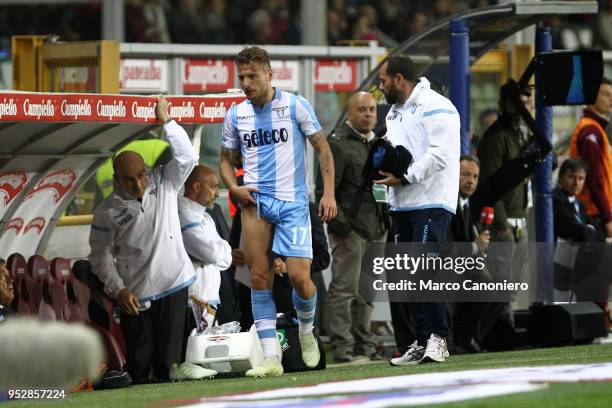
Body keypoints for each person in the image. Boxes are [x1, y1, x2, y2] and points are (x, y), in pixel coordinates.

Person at [219, 46, 337, 377]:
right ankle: (271, 358)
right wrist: (234, 187)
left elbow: (322, 148)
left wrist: (328, 193)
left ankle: (306, 329)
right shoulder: (235, 115)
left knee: (300, 278)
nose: (246, 82)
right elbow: (226, 161)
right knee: (259, 278)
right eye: (241, 76)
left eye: (252, 75)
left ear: (270, 74)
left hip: (294, 203)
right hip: (255, 203)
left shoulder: (296, 105)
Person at [89, 95, 198, 383]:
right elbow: (99, 257)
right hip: (134, 295)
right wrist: (119, 290)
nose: (138, 183)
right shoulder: (106, 211)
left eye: (141, 175)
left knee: (168, 365)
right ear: (116, 179)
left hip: (174, 284)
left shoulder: (166, 182)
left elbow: (188, 157)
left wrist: (168, 122)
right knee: (138, 366)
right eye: (128, 179)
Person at [375, 54, 459, 365]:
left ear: (399, 79)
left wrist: (404, 176)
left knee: (426, 269)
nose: (380, 87)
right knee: (409, 275)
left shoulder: (438, 106)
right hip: (402, 202)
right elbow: (398, 152)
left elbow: (441, 155)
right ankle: (422, 339)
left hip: (432, 200)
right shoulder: (394, 113)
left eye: (383, 81)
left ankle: (438, 338)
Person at [316, 91, 387, 363]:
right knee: (344, 289)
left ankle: (364, 345)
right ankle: (343, 348)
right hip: (352, 229)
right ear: (349, 113)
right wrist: (342, 227)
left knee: (367, 292)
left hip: (377, 226)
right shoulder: (337, 145)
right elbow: (325, 190)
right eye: (362, 110)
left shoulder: (378, 143)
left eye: (371, 109)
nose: (368, 114)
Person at [175, 165, 233, 381]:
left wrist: (220, 251)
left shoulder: (205, 217)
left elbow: (224, 257)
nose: (217, 193)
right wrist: (219, 251)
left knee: (212, 362)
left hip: (209, 297)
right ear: (196, 187)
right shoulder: (181, 213)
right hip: (193, 297)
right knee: (194, 352)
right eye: (214, 187)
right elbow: (212, 252)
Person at [447, 155, 505, 354]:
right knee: (485, 283)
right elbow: (449, 249)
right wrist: (475, 247)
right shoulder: (447, 204)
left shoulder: (466, 206)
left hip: (461, 267)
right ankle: (456, 339)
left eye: (475, 176)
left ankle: (469, 337)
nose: (470, 181)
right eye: (465, 174)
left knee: (503, 285)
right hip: (442, 268)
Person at [569, 77, 612, 238]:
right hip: (593, 213)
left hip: (592, 211)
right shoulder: (590, 132)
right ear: (592, 97)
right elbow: (595, 179)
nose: (611, 99)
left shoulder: (592, 128)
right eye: (606, 94)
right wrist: (608, 218)